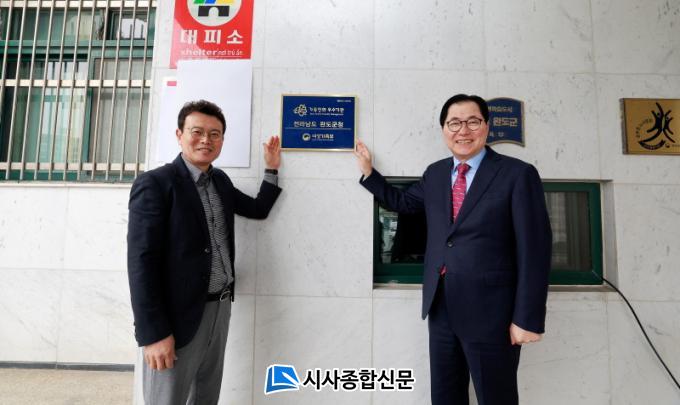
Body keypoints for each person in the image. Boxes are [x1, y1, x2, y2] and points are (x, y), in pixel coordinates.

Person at [354, 94, 551, 405]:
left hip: (493, 313)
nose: (463, 131)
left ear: (487, 126)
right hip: (442, 307)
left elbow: (535, 249)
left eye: (473, 122)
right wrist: (369, 173)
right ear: (444, 129)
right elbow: (404, 203)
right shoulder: (435, 174)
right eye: (454, 123)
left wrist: (527, 317)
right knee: (445, 396)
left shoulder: (516, 174)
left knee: (496, 398)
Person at [127, 100, 282, 404]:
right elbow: (141, 262)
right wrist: (153, 333)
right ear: (179, 135)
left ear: (222, 140)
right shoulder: (156, 184)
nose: (205, 140)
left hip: (218, 310)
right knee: (167, 399)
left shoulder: (219, 181)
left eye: (214, 134)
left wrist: (271, 169)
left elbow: (257, 209)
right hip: (175, 317)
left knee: (206, 397)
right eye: (197, 132)